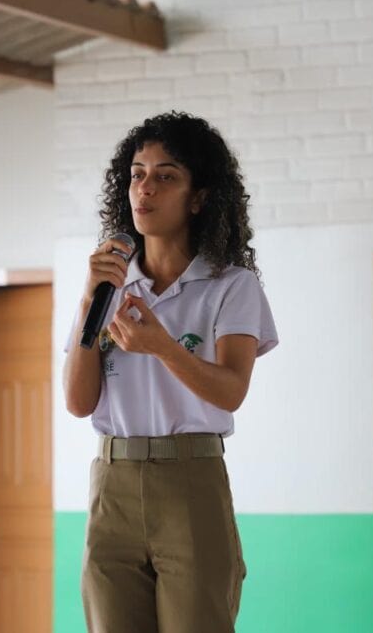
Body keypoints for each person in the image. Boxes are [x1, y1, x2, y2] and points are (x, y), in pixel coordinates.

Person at [63, 111, 278, 633]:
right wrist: (93, 297)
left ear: (198, 197)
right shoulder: (109, 284)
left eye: (166, 176)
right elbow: (77, 401)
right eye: (138, 173)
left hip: (190, 481)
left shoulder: (231, 285)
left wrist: (161, 346)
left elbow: (230, 391)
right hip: (112, 482)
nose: (145, 189)